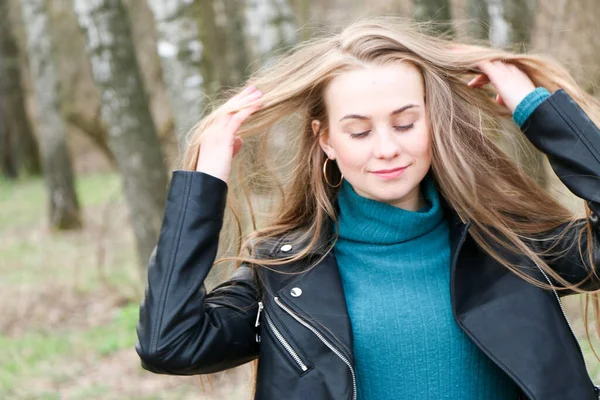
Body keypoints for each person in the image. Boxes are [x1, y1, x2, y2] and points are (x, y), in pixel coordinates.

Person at [135, 17, 600, 400]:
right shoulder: (285, 273)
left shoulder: (508, 243)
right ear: (326, 140)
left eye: (404, 123)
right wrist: (204, 181)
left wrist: (541, 111)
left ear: (432, 122)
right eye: (359, 131)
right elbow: (169, 344)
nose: (387, 149)